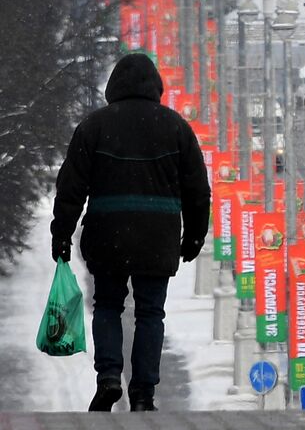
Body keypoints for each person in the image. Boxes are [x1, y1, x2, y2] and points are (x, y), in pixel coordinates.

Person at [51, 52, 211, 412]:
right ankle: (143, 392)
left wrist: (61, 232)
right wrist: (195, 235)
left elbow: (71, 187)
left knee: (107, 305)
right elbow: (197, 189)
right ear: (156, 87)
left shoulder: (94, 126)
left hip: (107, 232)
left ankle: (109, 376)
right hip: (158, 235)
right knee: (150, 313)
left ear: (114, 87)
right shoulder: (176, 127)